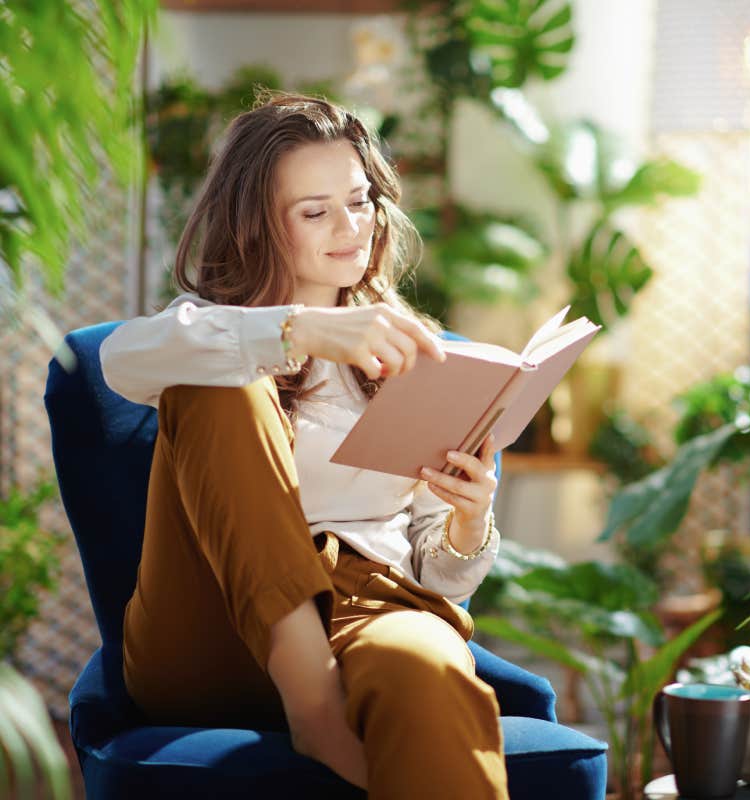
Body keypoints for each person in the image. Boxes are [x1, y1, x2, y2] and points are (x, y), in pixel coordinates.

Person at [100, 90, 507, 799]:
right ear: (260, 227)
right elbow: (117, 360)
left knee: (429, 667)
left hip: (367, 608)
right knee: (222, 380)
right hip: (210, 627)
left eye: (360, 200)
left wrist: (469, 523)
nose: (351, 228)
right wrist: (297, 332)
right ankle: (314, 707)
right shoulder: (214, 332)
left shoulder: (413, 352)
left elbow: (435, 575)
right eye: (316, 212)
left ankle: (333, 692)